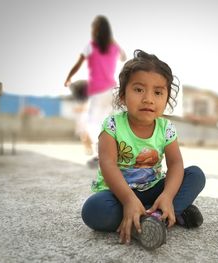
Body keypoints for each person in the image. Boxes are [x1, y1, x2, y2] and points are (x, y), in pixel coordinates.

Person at [81, 50, 206, 249]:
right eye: (139, 90)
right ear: (122, 95)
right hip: (118, 194)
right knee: (93, 210)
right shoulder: (112, 125)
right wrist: (129, 200)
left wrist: (167, 195)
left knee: (195, 175)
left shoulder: (166, 129)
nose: (148, 99)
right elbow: (107, 163)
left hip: (153, 189)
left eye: (158, 92)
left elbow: (175, 164)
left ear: (166, 100)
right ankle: (165, 216)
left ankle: (156, 215)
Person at [64, 15, 126, 166]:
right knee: (112, 122)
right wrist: (113, 40)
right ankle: (117, 154)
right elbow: (123, 57)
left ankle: (101, 156)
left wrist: (68, 78)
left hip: (98, 91)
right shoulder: (113, 47)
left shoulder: (91, 45)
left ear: (95, 29)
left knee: (93, 123)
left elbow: (78, 64)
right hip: (111, 90)